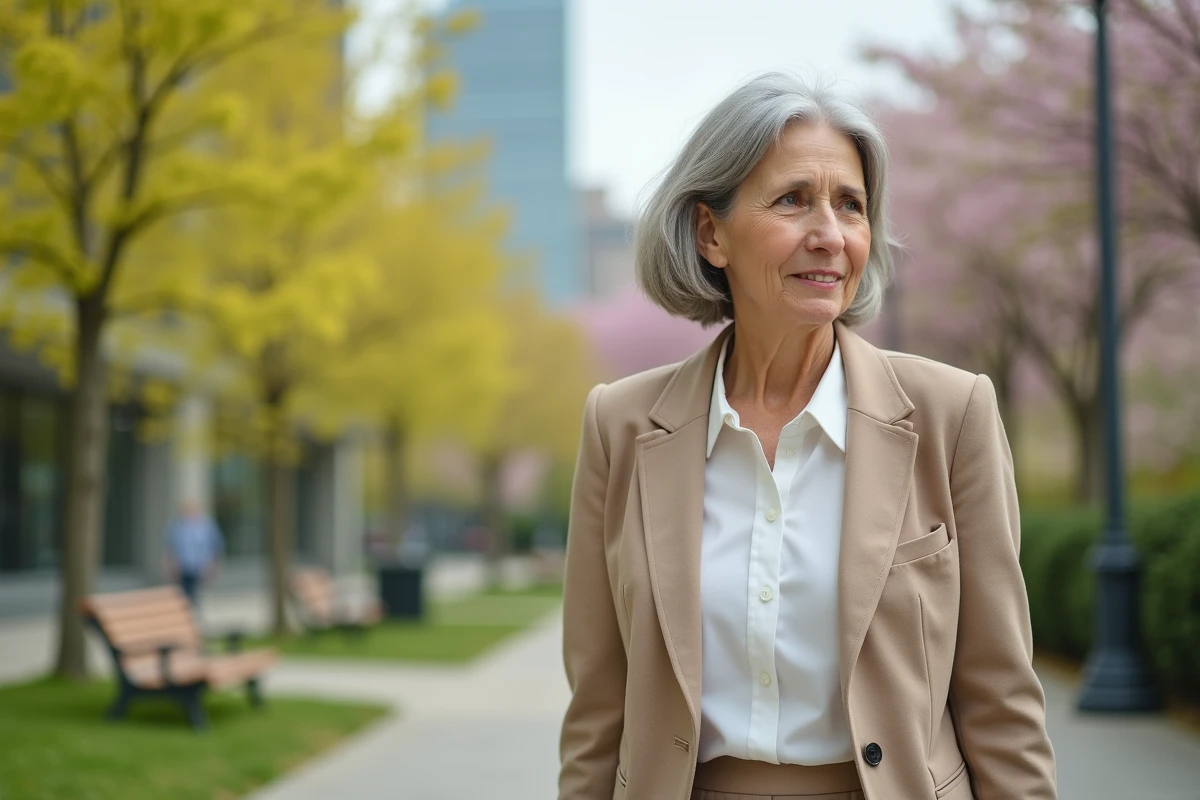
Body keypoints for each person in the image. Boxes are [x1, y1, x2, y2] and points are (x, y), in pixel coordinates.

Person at [558, 73, 1056, 800]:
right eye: (793, 200)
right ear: (710, 233)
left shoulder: (952, 414)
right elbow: (597, 710)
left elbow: (1001, 700)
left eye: (850, 205)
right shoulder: (621, 425)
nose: (830, 235)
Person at [165, 499, 224, 607]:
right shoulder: (176, 526)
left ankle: (193, 610)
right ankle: (190, 610)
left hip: (200, 566)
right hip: (183, 567)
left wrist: (214, 566)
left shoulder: (206, 525)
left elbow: (216, 546)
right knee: (184, 592)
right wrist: (171, 565)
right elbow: (171, 548)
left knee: (195, 593)